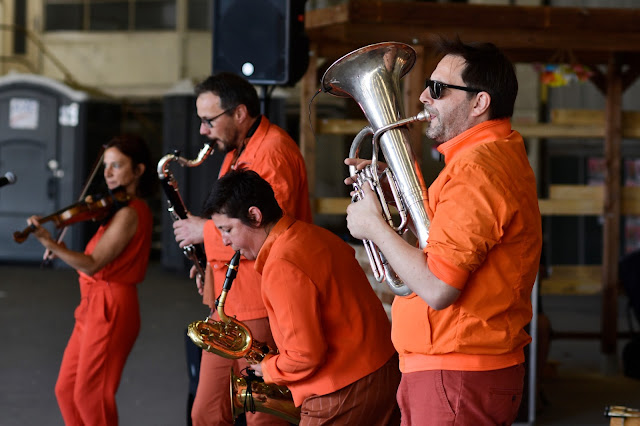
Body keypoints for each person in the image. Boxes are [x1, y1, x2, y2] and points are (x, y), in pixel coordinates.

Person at [344, 37, 543, 425]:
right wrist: (393, 194)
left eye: (437, 89)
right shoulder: (488, 157)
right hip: (455, 371)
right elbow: (439, 246)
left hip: (457, 374)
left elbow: (437, 287)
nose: (422, 97)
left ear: (479, 102)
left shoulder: (476, 171)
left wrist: (374, 226)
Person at [203, 169, 401, 425]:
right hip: (383, 371)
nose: (224, 241)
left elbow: (304, 355)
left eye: (227, 229)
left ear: (254, 216)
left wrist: (268, 368)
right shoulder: (315, 235)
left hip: (342, 390)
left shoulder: (282, 264)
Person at [173, 72, 312, 426]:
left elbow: (264, 232)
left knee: (263, 416)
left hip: (259, 304)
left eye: (209, 120)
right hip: (229, 302)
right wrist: (207, 259)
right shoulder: (243, 148)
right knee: (205, 412)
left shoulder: (272, 153)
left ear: (239, 113)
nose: (203, 130)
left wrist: (201, 231)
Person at [27, 135, 155, 426]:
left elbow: (94, 264)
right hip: (92, 305)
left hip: (112, 307)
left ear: (138, 171)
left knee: (91, 395)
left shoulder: (131, 213)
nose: (107, 173)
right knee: (67, 390)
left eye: (117, 165)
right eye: (106, 165)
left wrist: (53, 244)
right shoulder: (115, 211)